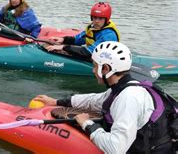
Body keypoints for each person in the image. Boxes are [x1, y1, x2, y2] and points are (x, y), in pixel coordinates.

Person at [34, 41, 176, 154]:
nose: (93, 70)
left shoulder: (128, 98)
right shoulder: (124, 87)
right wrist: (55, 102)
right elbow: (94, 100)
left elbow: (115, 149)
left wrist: (87, 124)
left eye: (95, 66)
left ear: (106, 69)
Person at [45, 2, 120, 60]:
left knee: (63, 50)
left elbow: (88, 52)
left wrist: (63, 47)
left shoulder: (108, 35)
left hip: (103, 60)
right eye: (94, 17)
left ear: (106, 19)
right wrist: (63, 39)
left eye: (100, 19)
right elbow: (79, 39)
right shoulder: (92, 27)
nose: (96, 21)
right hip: (92, 56)